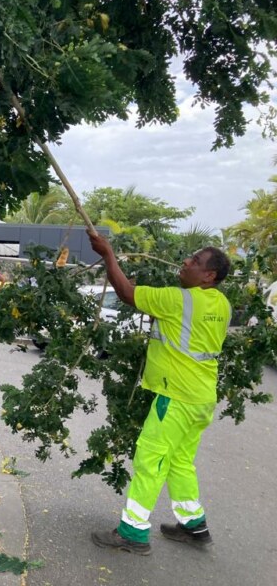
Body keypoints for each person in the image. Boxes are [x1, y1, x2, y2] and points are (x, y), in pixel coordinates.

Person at [87, 230, 231, 556]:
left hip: (176, 398)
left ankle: (133, 533)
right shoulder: (221, 304)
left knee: (150, 460)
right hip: (201, 399)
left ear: (209, 276)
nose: (186, 261)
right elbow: (179, 324)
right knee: (180, 462)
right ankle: (194, 525)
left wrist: (108, 255)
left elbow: (127, 294)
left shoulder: (178, 300)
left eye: (195, 261)